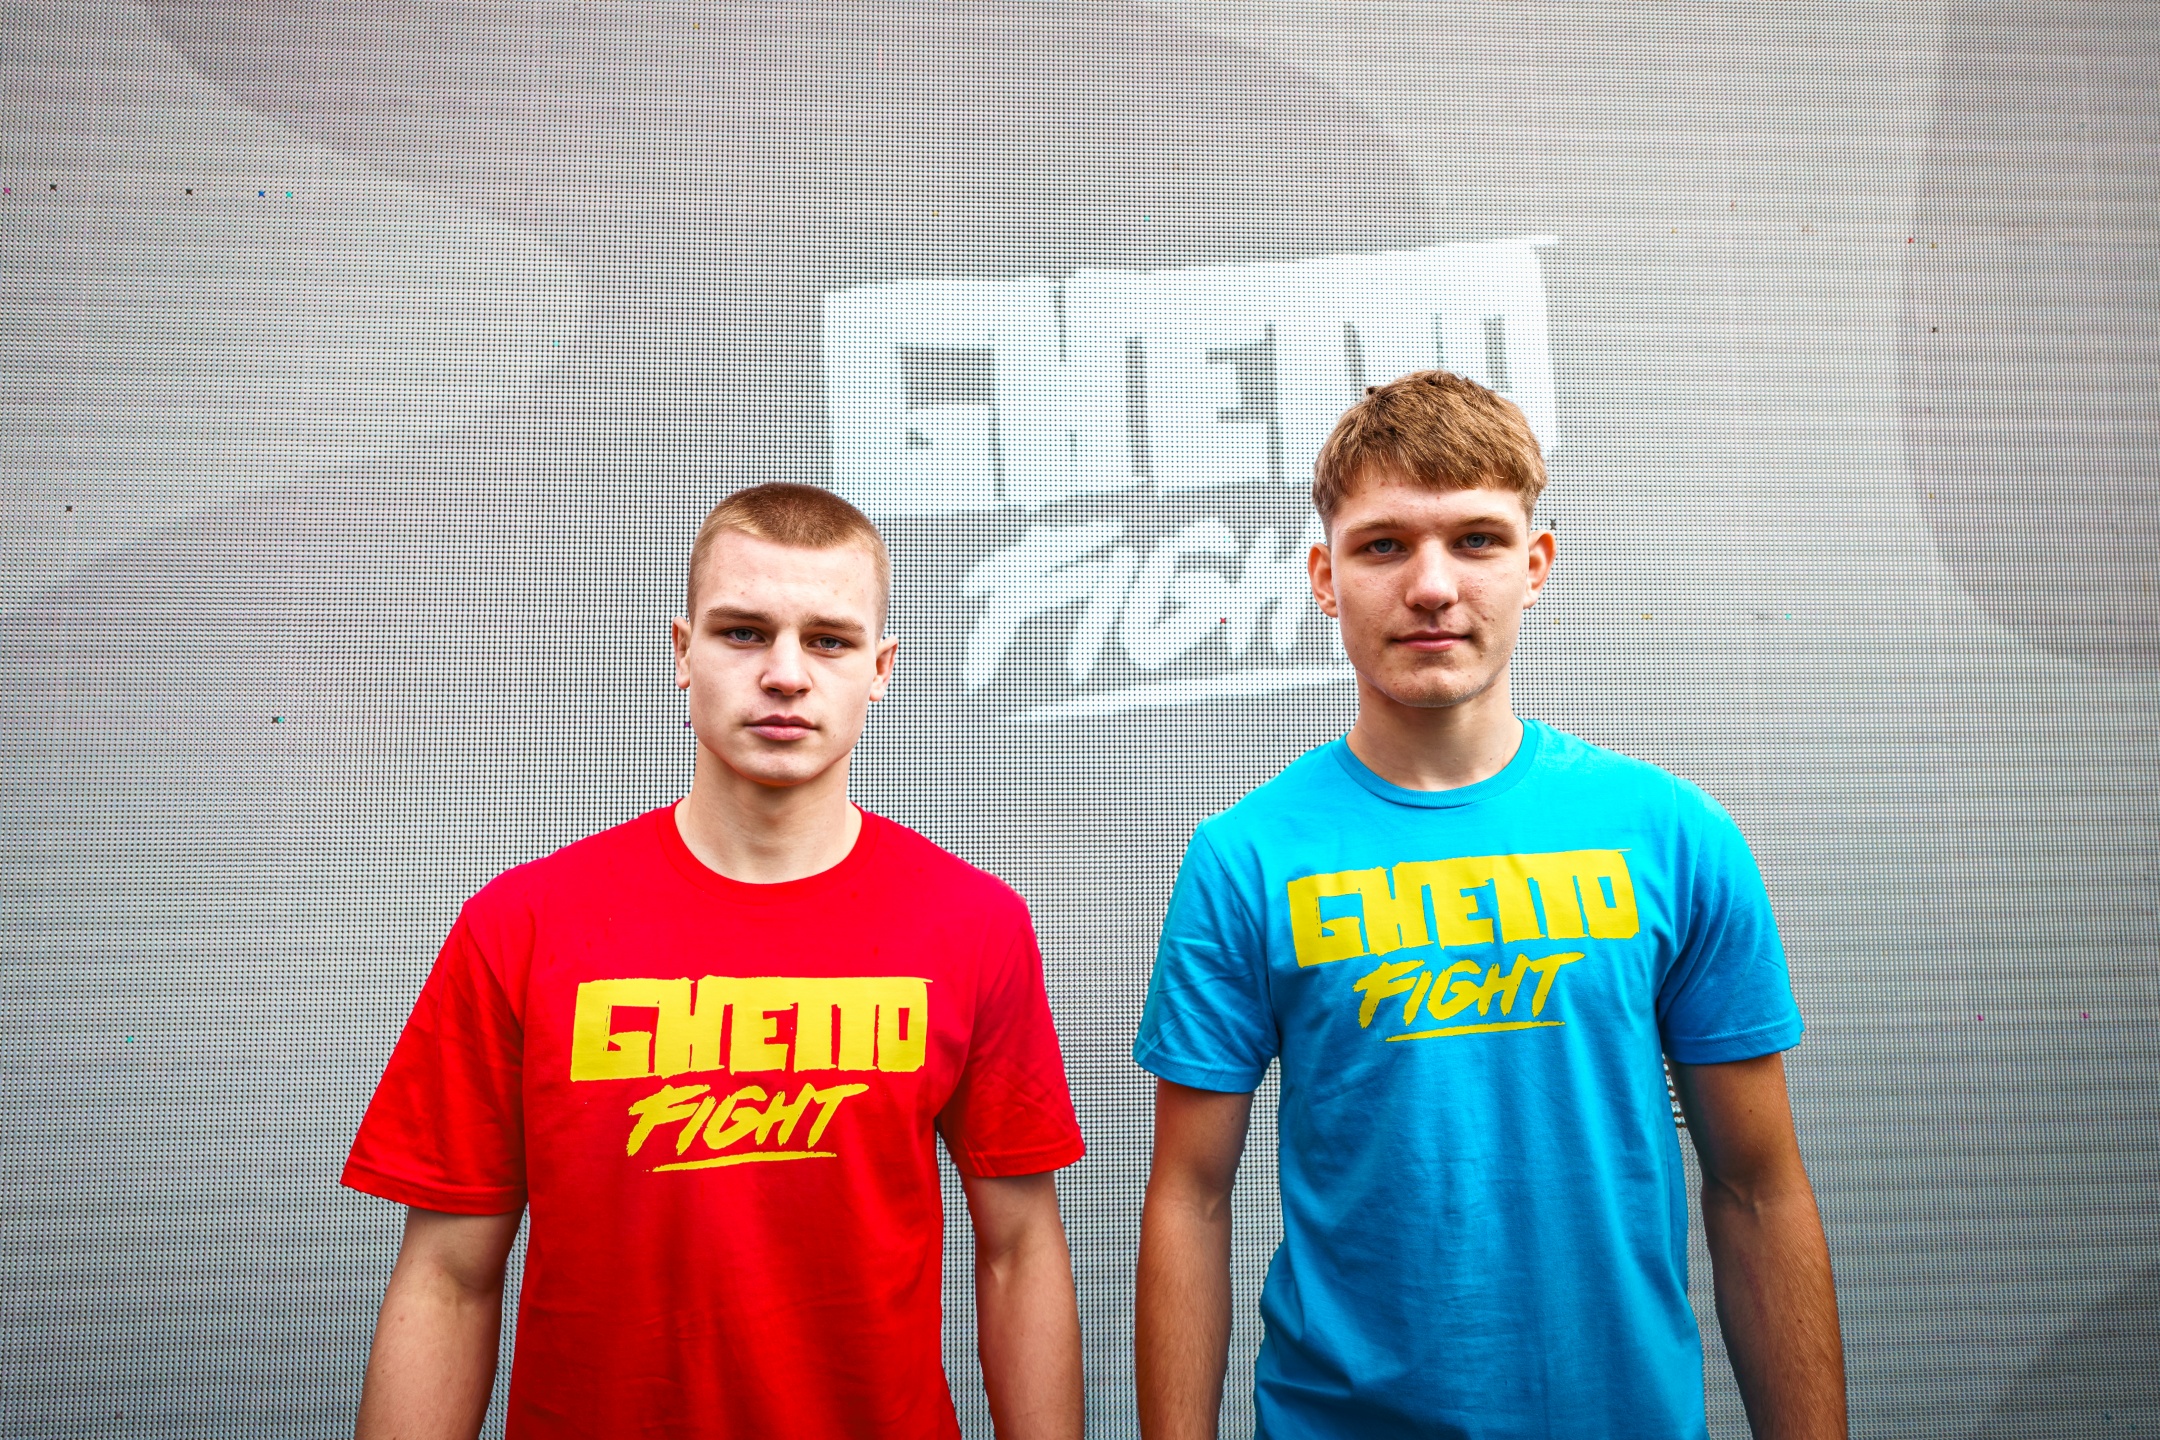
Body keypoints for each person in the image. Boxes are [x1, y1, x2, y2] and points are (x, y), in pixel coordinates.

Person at [1131, 372, 1845, 1439]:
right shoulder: (1245, 860)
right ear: (1325, 578)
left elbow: (1758, 1190)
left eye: (1476, 540)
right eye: (1384, 546)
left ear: (1535, 565)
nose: (1431, 586)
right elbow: (1189, 1201)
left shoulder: (1672, 834)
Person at [343, 483, 1087, 1440]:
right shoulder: (522, 924)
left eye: (828, 640)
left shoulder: (974, 924)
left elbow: (1020, 1252)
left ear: (880, 669)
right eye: (743, 633)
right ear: (682, 652)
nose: (785, 674)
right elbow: (448, 1278)